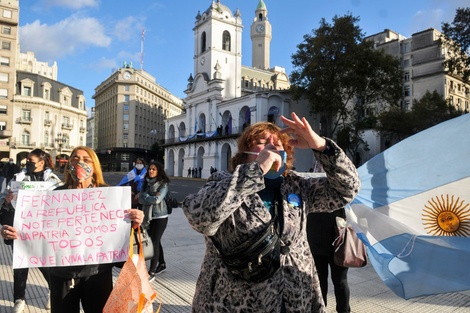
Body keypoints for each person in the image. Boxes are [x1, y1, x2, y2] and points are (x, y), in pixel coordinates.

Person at [182, 112, 360, 312]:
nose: (272, 145)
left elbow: (347, 189)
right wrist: (256, 170)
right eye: (261, 141)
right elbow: (200, 218)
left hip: (295, 298)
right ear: (245, 152)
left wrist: (320, 145)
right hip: (234, 301)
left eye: (278, 143)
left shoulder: (298, 186)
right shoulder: (223, 182)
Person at [0, 146, 144, 313]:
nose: (79, 163)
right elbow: (36, 229)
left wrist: (135, 222)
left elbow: (124, 234)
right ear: (68, 165)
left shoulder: (109, 195)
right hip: (62, 274)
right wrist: (14, 234)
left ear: (94, 166)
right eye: (75, 159)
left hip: (97, 273)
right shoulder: (55, 195)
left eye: (86, 160)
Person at [0, 149, 62, 313]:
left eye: (31, 160)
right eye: (26, 160)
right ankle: (19, 299)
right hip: (20, 230)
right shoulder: (16, 179)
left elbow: (62, 204)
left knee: (47, 266)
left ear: (41, 162)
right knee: (20, 267)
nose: (27, 163)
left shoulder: (54, 181)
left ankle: (52, 291)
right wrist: (6, 201)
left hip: (43, 232)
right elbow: (3, 201)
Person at [307, 208, 351, 313]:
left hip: (330, 240)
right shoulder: (339, 193)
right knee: (339, 281)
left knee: (335, 281)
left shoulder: (311, 192)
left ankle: (325, 309)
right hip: (332, 240)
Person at [139, 161, 170, 281]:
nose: (150, 171)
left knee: (154, 242)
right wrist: (149, 196)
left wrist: (146, 196)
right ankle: (162, 264)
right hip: (148, 216)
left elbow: (157, 200)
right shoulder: (145, 183)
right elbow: (141, 198)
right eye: (149, 169)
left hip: (160, 216)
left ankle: (151, 272)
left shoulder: (164, 184)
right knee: (156, 241)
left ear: (159, 171)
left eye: (154, 169)